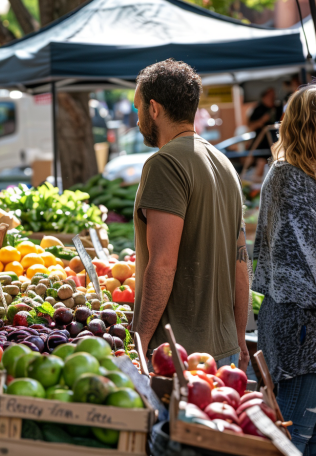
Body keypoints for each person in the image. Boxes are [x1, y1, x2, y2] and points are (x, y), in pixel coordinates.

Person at [131, 59, 250, 371]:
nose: (138, 118)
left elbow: (163, 264)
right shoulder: (225, 164)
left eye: (138, 108)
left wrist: (140, 341)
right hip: (225, 351)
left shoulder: (164, 164)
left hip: (178, 356)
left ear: (153, 109)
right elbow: (241, 260)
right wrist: (238, 335)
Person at [253, 85, 316, 454]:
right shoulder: (289, 178)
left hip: (297, 326)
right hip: (300, 335)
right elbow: (301, 270)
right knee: (292, 442)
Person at [248, 88, 282, 180]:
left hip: (276, 143)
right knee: (261, 164)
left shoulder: (278, 108)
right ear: (264, 96)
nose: (273, 97)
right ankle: (255, 190)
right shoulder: (258, 109)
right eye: (270, 95)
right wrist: (263, 120)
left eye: (274, 95)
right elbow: (251, 125)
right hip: (262, 143)